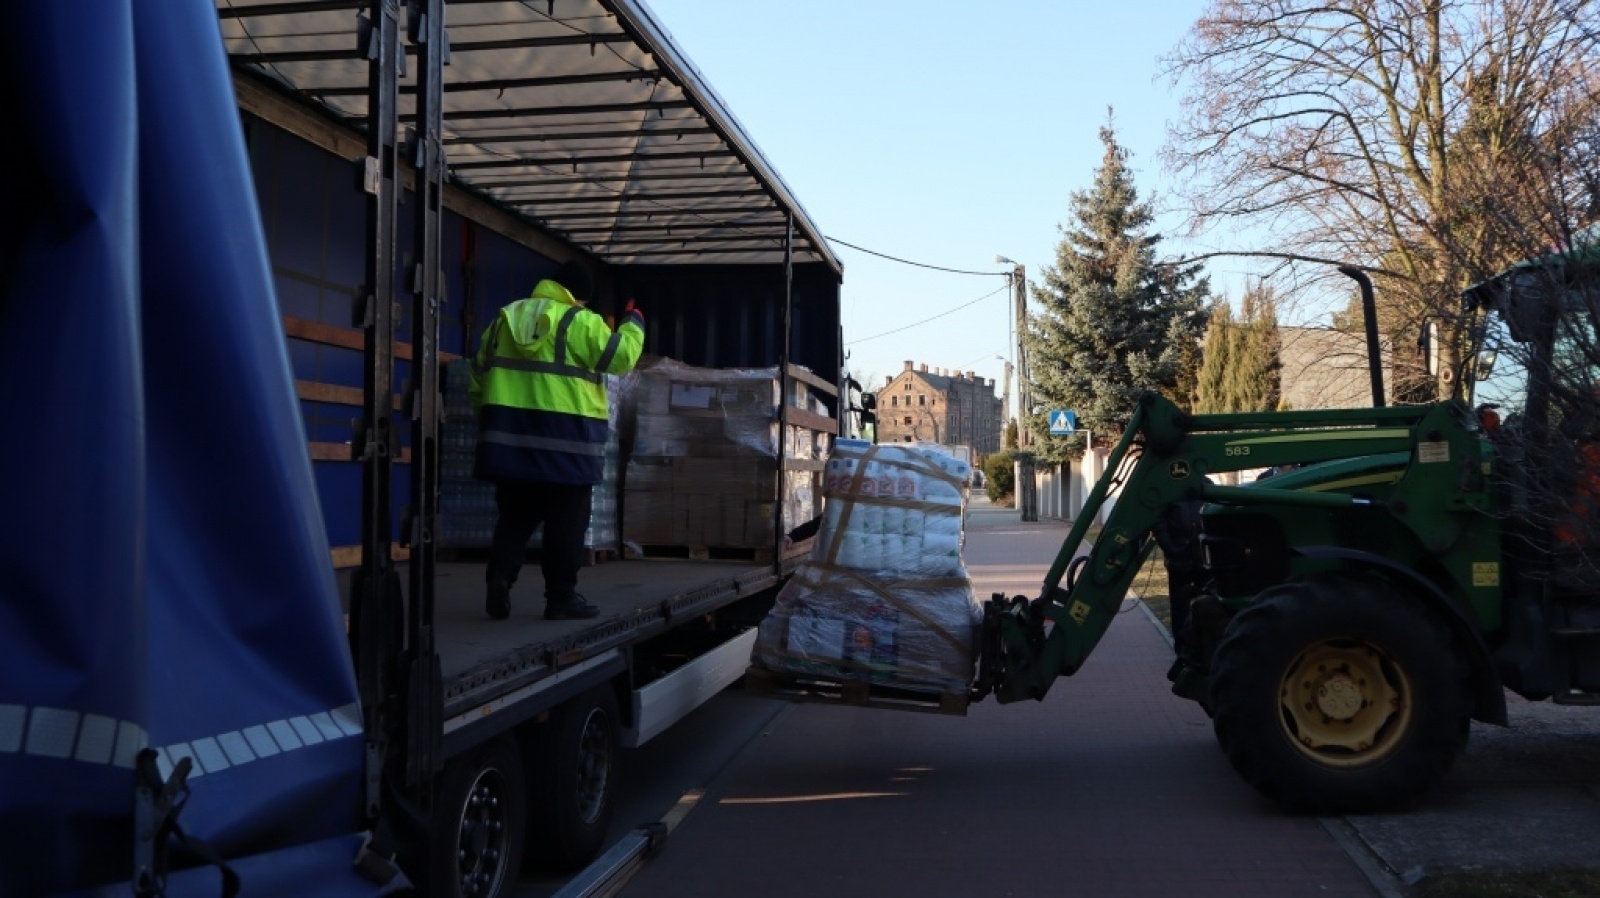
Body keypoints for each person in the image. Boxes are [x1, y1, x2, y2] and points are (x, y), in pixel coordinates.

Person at [470, 259, 645, 620]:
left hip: (511, 444)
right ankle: (561, 597)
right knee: (566, 522)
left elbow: (478, 375)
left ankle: (500, 577)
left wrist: (492, 422)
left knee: (515, 515)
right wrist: (634, 323)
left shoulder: (505, 317)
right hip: (568, 445)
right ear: (578, 297)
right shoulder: (579, 322)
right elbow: (621, 357)